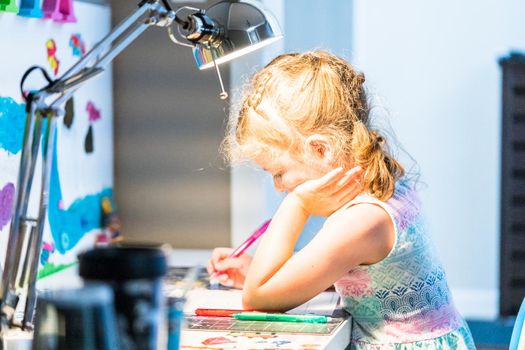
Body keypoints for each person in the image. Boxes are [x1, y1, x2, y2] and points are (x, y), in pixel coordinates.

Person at [207, 51, 476, 349]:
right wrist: (259, 272)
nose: (279, 187)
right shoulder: (383, 186)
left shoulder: (362, 221)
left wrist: (296, 206)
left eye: (280, 173)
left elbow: (257, 298)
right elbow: (329, 273)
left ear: (320, 149)